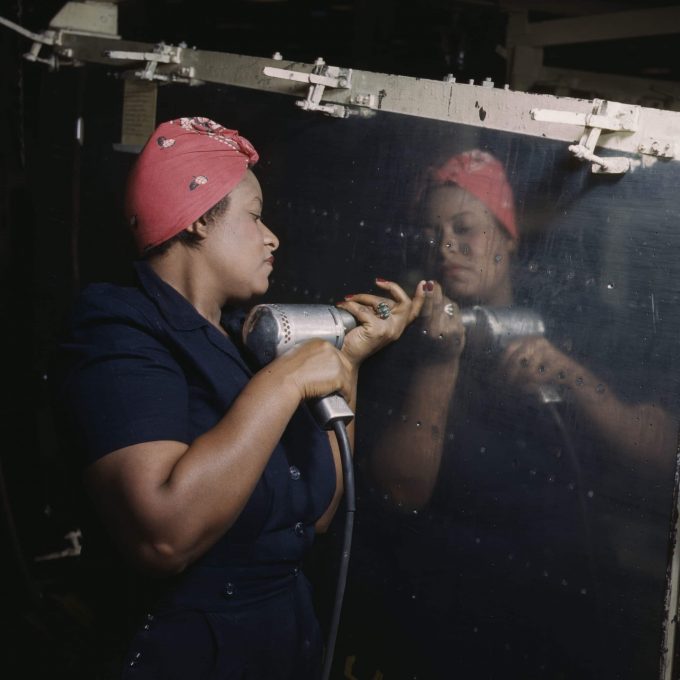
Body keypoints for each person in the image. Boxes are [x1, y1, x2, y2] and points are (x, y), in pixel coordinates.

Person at [53, 116, 425, 679]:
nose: (272, 236)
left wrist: (346, 361)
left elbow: (319, 515)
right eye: (254, 216)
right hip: (186, 653)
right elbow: (162, 536)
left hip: (283, 638)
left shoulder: (239, 341)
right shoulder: (118, 328)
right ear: (200, 219)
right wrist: (285, 381)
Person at [349, 149, 677, 678]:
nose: (446, 246)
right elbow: (399, 490)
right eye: (431, 232)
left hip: (564, 609)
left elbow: (663, 459)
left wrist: (569, 375)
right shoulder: (403, 341)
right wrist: (439, 361)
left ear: (506, 235)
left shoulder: (577, 319)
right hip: (444, 613)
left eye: (466, 228)